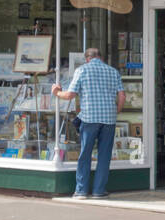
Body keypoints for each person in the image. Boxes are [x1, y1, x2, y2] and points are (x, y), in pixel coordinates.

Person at [51, 46, 124, 199]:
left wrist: (56, 92)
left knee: (85, 154)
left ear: (87, 58)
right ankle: (99, 190)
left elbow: (70, 95)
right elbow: (122, 96)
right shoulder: (113, 71)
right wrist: (116, 110)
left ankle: (81, 190)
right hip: (109, 119)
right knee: (104, 156)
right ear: (101, 57)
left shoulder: (82, 70)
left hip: (90, 117)